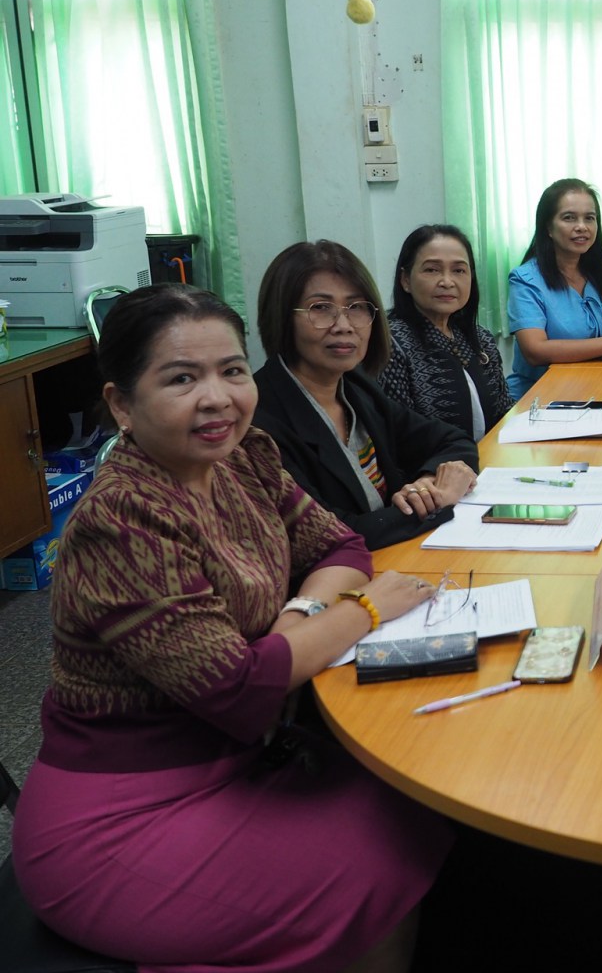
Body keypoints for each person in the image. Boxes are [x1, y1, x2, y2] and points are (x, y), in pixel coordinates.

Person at [11, 284, 452, 971]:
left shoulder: (245, 458)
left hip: (241, 755)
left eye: (232, 370)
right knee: (385, 852)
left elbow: (340, 548)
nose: (217, 398)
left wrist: (299, 620)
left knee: (417, 802)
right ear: (122, 405)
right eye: (181, 379)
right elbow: (239, 688)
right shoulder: (123, 518)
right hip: (123, 817)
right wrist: (362, 611)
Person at [253, 239, 480, 550]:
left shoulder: (356, 388)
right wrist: (437, 500)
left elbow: (453, 440)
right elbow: (331, 532)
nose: (344, 325)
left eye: (357, 307)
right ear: (281, 316)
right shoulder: (260, 422)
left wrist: (426, 485)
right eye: (320, 308)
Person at [507, 178, 602, 398]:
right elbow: (535, 351)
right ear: (548, 227)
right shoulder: (525, 280)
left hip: (600, 388)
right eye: (569, 218)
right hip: (541, 397)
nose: (582, 227)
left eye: (589, 218)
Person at [383, 223, 513, 441]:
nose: (447, 282)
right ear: (405, 280)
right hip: (435, 463)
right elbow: (399, 437)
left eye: (459, 270)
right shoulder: (390, 345)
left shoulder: (480, 338)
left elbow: (505, 410)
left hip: (493, 456)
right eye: (432, 270)